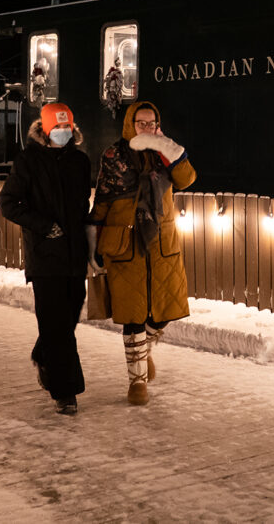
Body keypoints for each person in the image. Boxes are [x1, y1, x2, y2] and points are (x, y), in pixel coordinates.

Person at [88, 100, 196, 405]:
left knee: (164, 311)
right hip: (124, 240)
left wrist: (170, 151)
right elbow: (104, 199)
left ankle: (144, 351)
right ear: (130, 125)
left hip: (162, 243)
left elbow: (187, 179)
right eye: (140, 123)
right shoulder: (113, 155)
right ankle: (137, 381)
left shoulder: (166, 153)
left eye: (151, 123)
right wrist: (94, 242)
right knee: (133, 314)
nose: (146, 129)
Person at [0, 103, 92, 415]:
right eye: (57, 128)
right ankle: (65, 391)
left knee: (67, 318)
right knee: (56, 325)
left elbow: (82, 206)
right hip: (45, 256)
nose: (63, 132)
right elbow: (8, 203)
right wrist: (43, 226)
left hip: (75, 255)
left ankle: (43, 353)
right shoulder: (28, 161)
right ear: (44, 129)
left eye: (67, 127)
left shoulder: (80, 161)